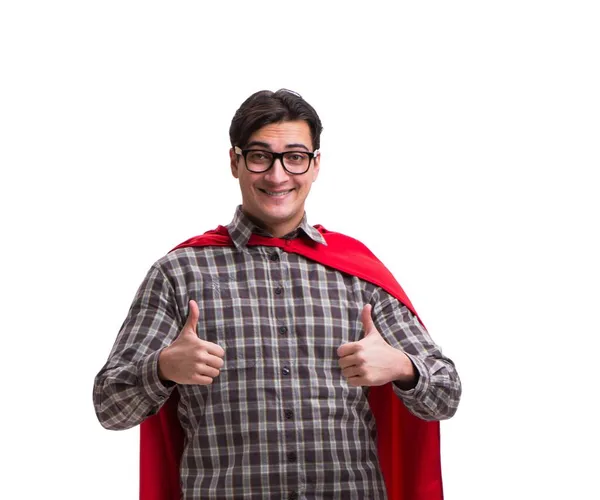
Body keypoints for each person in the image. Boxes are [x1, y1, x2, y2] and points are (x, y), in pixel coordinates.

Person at [93, 89, 461, 500]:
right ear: (235, 162)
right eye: (260, 156)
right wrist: (161, 367)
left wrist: (404, 368)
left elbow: (446, 396)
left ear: (316, 164)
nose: (278, 175)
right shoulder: (178, 273)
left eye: (295, 156)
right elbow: (110, 405)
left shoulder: (361, 277)